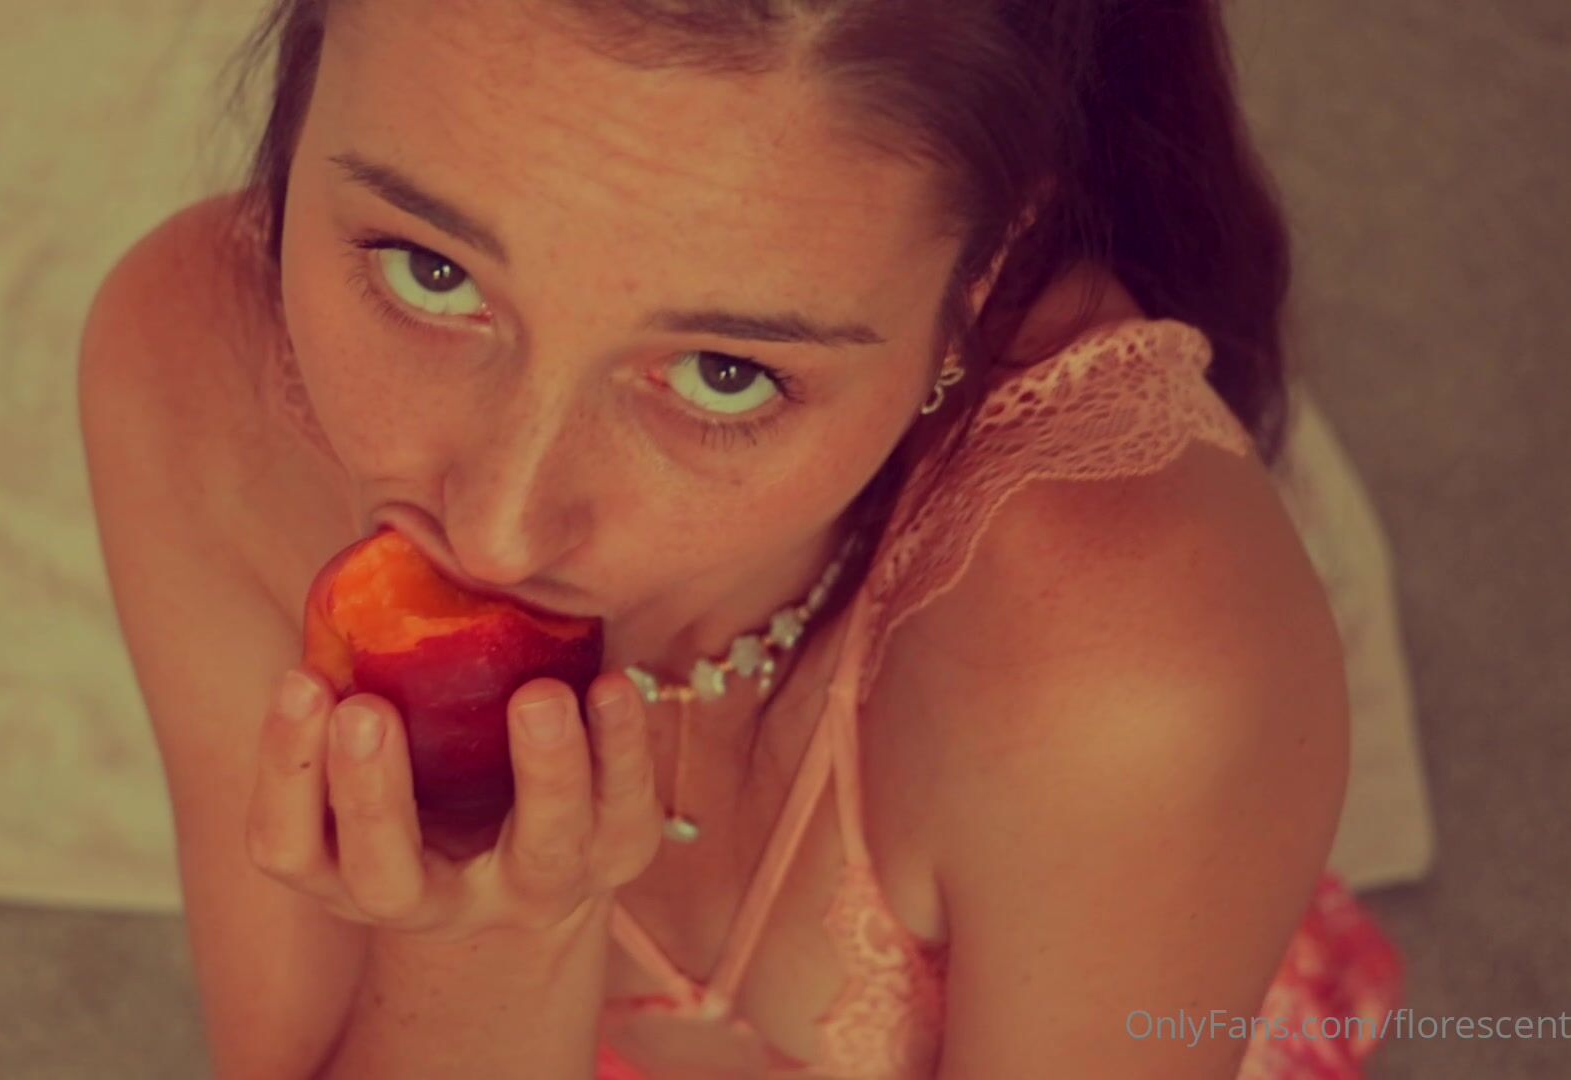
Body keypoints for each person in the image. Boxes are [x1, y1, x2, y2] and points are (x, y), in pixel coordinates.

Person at [78, 0, 1406, 1076]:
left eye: (724, 373)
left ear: (977, 285)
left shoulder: (1135, 672)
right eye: (431, 271)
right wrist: (487, 956)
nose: (498, 525)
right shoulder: (192, 370)